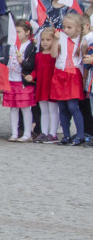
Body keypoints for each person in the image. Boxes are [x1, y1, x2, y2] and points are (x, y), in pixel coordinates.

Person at [49, 13, 84, 146]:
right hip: (60, 74)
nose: (66, 30)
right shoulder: (61, 37)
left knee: (72, 106)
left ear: (78, 28)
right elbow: (53, 55)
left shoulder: (82, 40)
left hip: (73, 75)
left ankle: (80, 135)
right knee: (62, 107)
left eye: (69, 27)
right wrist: (56, 40)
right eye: (64, 26)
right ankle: (66, 136)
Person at [5, 19, 37, 142]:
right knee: (13, 108)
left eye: (18, 32)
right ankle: (14, 132)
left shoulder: (30, 47)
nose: (16, 34)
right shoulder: (11, 46)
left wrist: (22, 62)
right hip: (11, 80)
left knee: (25, 107)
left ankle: (27, 133)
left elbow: (32, 65)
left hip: (23, 81)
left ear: (27, 32)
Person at [34, 28, 58, 142]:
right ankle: (44, 132)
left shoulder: (55, 56)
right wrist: (32, 76)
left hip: (51, 86)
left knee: (53, 110)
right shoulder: (38, 55)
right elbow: (36, 69)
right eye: (43, 39)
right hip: (41, 85)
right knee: (43, 110)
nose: (45, 42)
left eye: (48, 40)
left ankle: (53, 133)